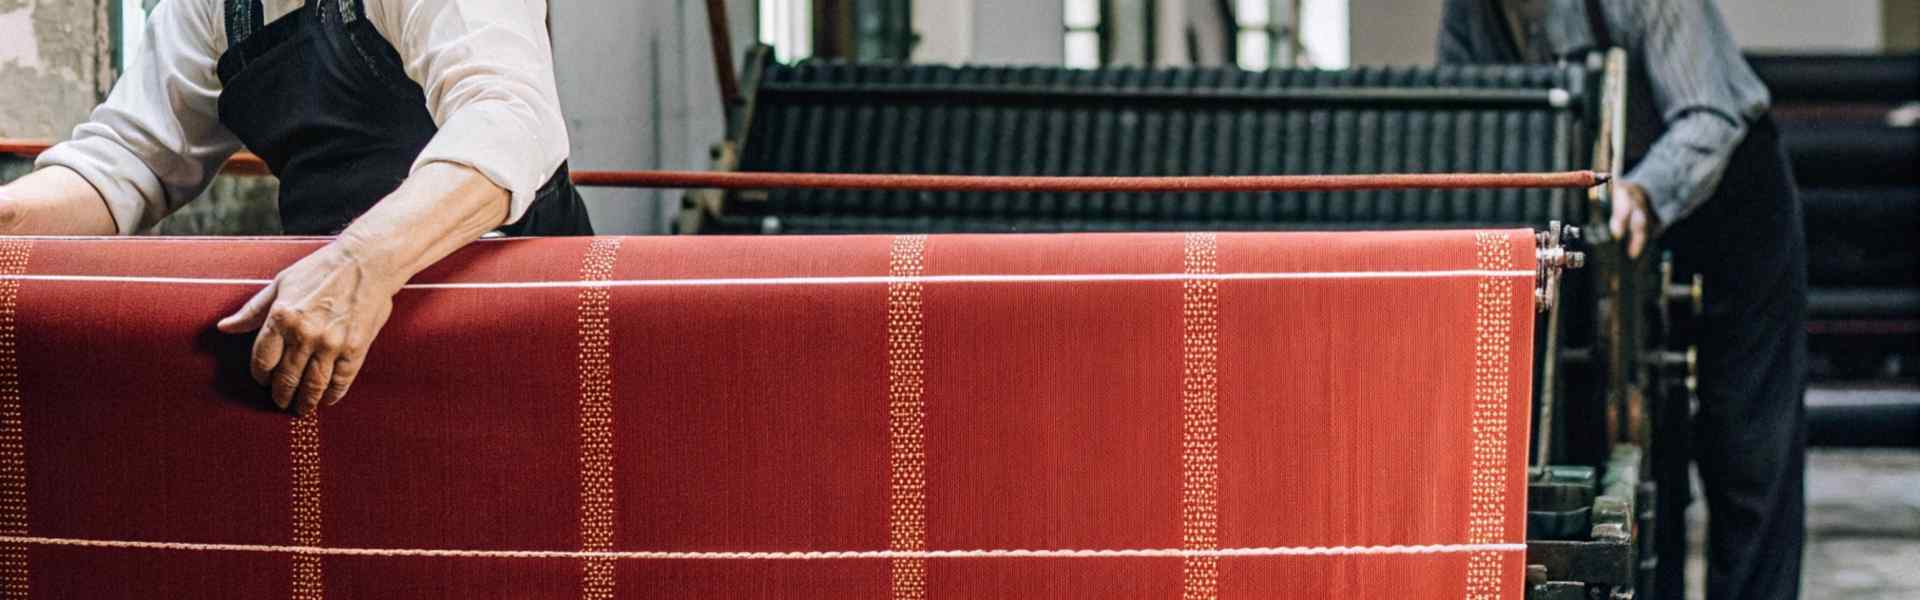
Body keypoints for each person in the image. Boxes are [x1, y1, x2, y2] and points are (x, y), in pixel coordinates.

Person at [0, 0, 592, 417]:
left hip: (505, 316)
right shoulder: (207, 10)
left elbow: (512, 120)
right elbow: (123, 161)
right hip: (325, 328)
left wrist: (362, 263)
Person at [1438, 1, 1808, 599]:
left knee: (1748, 454)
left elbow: (1710, 115)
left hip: (1729, 206)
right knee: (1637, 449)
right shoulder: (1471, 13)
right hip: (1609, 222)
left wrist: (1641, 191)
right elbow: (1468, 121)